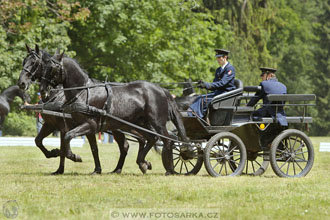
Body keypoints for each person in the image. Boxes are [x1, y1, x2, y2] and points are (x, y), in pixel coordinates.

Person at [188, 49, 236, 118]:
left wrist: (207, 85)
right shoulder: (218, 70)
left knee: (203, 100)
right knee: (199, 97)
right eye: (217, 57)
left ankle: (197, 117)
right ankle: (192, 114)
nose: (217, 59)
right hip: (218, 93)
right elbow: (215, 84)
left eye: (219, 57)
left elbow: (222, 83)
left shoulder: (230, 69)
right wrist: (203, 85)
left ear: (225, 57)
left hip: (226, 94)